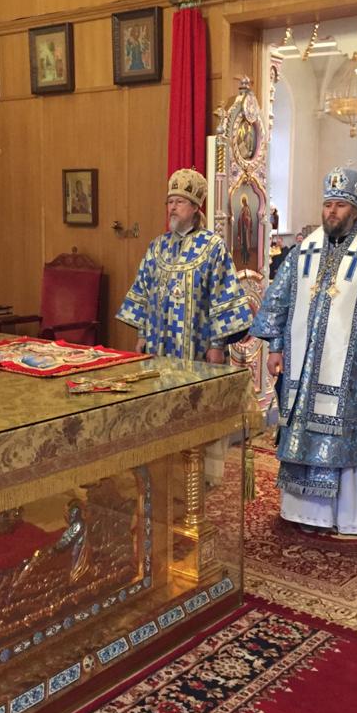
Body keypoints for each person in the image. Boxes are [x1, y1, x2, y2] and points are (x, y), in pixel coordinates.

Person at [250, 167, 357, 535]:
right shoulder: (303, 252)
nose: (332, 211)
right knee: (299, 432)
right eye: (328, 204)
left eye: (340, 205)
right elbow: (279, 300)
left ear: (354, 211)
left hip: (349, 373)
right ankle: (299, 511)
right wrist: (275, 347)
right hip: (301, 369)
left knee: (339, 438)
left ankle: (341, 516)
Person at [117, 168, 254, 483]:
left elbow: (222, 297)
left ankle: (198, 476)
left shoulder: (213, 247)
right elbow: (144, 292)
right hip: (160, 348)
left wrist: (217, 345)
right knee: (160, 409)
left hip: (197, 349)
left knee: (198, 412)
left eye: (179, 202)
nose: (172, 208)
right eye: (170, 202)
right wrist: (142, 334)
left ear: (195, 207)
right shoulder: (157, 247)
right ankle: (163, 471)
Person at [236, 193, 253, 265]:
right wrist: (240, 220)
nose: (243, 203)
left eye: (244, 201)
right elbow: (240, 219)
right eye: (242, 201)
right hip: (242, 230)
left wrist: (245, 219)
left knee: (246, 246)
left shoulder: (247, 209)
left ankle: (246, 260)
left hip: (246, 231)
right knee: (243, 246)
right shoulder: (242, 209)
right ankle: (243, 259)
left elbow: (249, 219)